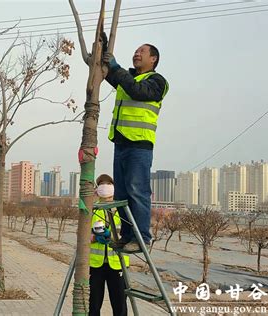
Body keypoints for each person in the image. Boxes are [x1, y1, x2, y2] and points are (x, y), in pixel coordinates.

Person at [103, 44, 169, 253]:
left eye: (142, 52)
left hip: (139, 145)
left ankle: (142, 238)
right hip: (121, 142)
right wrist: (103, 51)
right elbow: (110, 74)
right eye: (135, 51)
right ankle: (127, 236)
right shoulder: (128, 79)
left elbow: (136, 90)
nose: (136, 54)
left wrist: (116, 67)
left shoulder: (157, 82)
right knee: (122, 194)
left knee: (137, 191)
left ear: (154, 59)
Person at [89, 174, 129, 316]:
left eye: (108, 184)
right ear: (97, 189)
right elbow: (82, 235)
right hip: (96, 265)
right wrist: (93, 237)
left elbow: (129, 234)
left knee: (119, 305)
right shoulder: (93, 209)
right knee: (93, 305)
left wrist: (110, 237)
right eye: (101, 184)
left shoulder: (123, 210)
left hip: (117, 264)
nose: (105, 187)